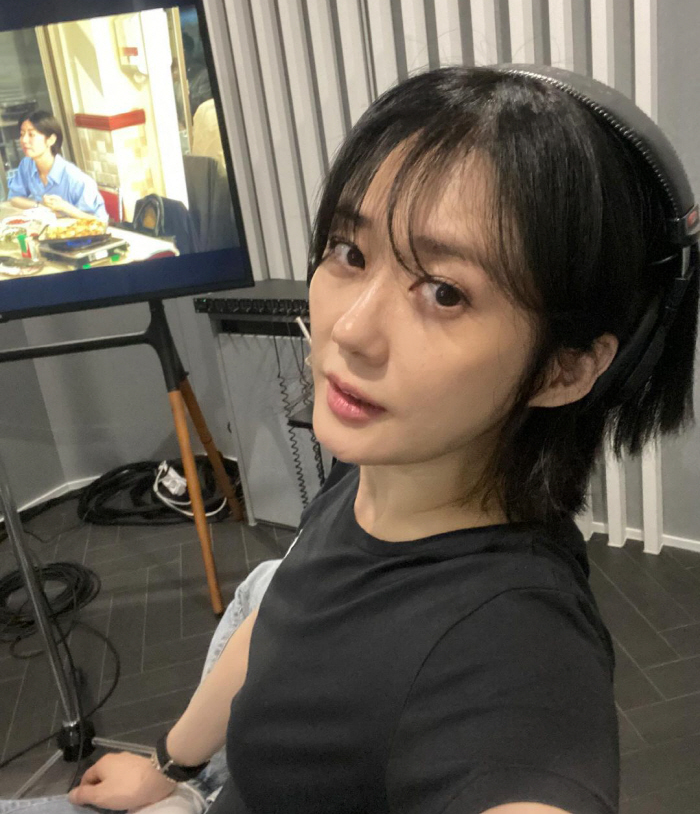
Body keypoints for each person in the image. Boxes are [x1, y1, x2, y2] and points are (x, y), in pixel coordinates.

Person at [4, 65, 699, 814]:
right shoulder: (379, 465)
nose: (350, 329)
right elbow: (287, 608)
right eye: (350, 252)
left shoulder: (513, 649)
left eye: (444, 292)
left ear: (566, 369)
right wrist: (169, 765)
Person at [7, 111, 108, 222]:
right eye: (22, 134)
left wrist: (66, 208)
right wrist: (41, 207)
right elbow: (14, 198)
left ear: (51, 140)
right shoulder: (27, 165)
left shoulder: (76, 179)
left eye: (31, 135)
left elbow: (100, 223)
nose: (23, 140)